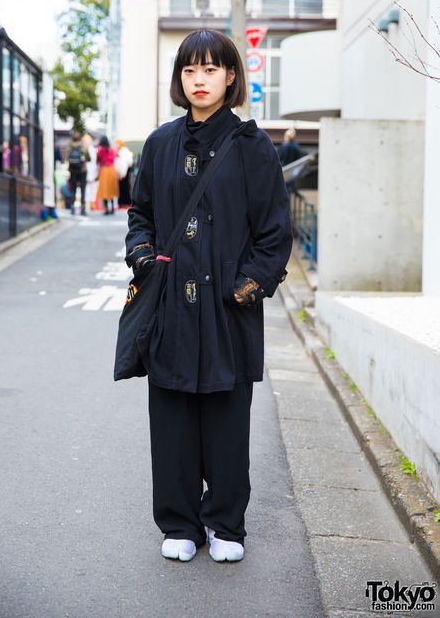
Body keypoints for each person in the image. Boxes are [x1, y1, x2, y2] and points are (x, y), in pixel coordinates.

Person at [124, 29, 293, 564]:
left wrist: (249, 285)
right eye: (190, 70)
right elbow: (140, 214)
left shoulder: (252, 145)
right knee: (171, 417)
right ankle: (178, 521)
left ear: (230, 77)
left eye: (211, 69)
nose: (200, 80)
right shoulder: (160, 143)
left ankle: (224, 523)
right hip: (171, 303)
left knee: (225, 419)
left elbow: (274, 230)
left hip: (227, 306)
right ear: (179, 78)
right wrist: (143, 252)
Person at [66, 131, 90, 216]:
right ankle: (83, 209)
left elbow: (66, 157)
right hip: (82, 170)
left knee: (73, 189)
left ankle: (72, 208)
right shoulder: (83, 145)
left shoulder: (69, 145)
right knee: (83, 189)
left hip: (72, 170)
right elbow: (88, 157)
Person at [96, 135, 119, 215]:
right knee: (111, 190)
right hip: (112, 170)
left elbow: (98, 161)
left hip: (104, 171)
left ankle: (106, 209)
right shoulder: (112, 150)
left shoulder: (100, 150)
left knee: (105, 190)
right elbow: (117, 156)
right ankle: (112, 208)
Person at [115, 139, 134, 208]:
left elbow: (123, 163)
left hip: (123, 172)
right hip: (124, 172)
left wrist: (122, 174)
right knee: (124, 187)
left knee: (123, 188)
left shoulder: (122, 151)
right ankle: (124, 203)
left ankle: (124, 203)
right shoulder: (124, 150)